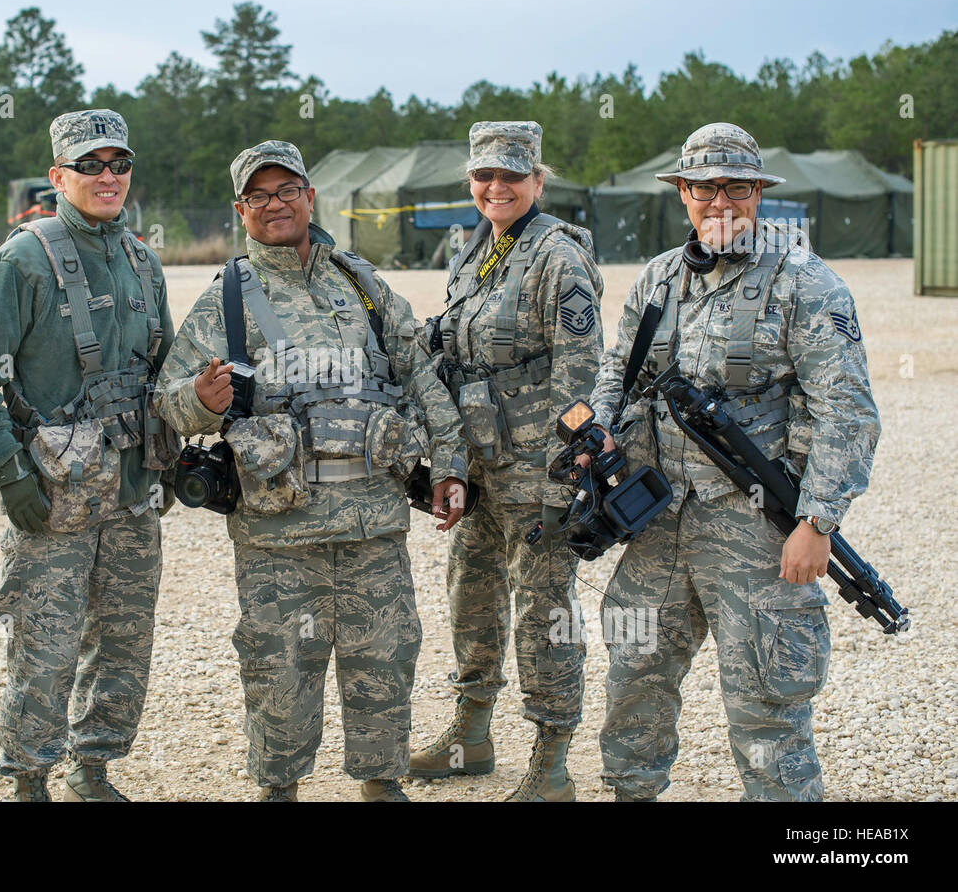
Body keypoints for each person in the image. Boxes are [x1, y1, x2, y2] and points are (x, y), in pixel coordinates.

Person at [155, 140, 468, 802]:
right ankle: (279, 787)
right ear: (241, 208)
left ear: (309, 196)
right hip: (278, 529)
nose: (276, 203)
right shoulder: (228, 299)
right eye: (260, 195)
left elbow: (421, 376)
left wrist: (450, 465)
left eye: (287, 189)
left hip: (373, 521)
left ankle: (382, 783)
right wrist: (197, 402)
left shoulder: (361, 282)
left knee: (385, 656)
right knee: (278, 667)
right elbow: (165, 401)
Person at [587, 122, 880, 801]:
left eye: (737, 187)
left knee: (767, 705)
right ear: (682, 193)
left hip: (757, 530)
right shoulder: (660, 277)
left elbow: (849, 411)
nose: (720, 201)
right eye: (704, 187)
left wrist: (818, 521)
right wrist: (599, 432)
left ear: (758, 194)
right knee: (634, 679)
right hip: (657, 519)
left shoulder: (802, 282)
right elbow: (617, 369)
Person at [0, 109, 175, 802]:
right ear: (57, 177)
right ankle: (28, 780)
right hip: (56, 495)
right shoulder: (23, 259)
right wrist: (9, 471)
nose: (107, 177)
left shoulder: (141, 259)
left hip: (133, 492)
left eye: (119, 164)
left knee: (125, 641)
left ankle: (92, 769)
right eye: (90, 166)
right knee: (44, 645)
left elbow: (162, 368)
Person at [408, 121, 604, 801]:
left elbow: (580, 377)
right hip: (482, 467)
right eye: (484, 176)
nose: (496, 187)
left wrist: (565, 477)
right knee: (472, 596)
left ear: (537, 182)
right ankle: (472, 733)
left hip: (538, 476)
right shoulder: (475, 251)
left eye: (511, 176)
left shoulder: (558, 256)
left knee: (543, 611)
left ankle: (552, 763)